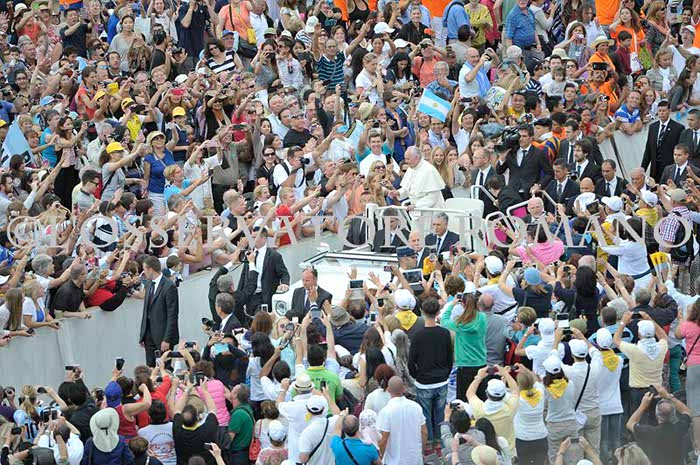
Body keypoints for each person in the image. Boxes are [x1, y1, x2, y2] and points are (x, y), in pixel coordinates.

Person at [408, 297, 453, 455]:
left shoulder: (417, 335)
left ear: (422, 311)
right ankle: (440, 443)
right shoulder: (444, 333)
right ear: (438, 312)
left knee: (426, 415)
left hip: (424, 382)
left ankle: (428, 444)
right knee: (440, 413)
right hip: (441, 380)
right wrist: (445, 373)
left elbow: (411, 361)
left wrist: (417, 376)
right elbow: (450, 358)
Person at [627, 385, 692, 465]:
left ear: (657, 415)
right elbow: (687, 411)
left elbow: (630, 423)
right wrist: (668, 396)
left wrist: (643, 405)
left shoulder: (649, 432)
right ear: (673, 414)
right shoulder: (679, 428)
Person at [440, 294, 488, 402]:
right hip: (481, 363)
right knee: (481, 398)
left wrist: (452, 304)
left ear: (462, 304)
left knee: (463, 400)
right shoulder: (482, 318)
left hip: (465, 365)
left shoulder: (459, 323)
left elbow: (444, 320)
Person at [139, 256, 180, 368]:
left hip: (163, 336)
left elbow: (172, 315)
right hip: (149, 336)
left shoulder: (169, 286)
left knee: (164, 368)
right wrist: (143, 335)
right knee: (150, 368)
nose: (143, 272)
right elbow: (146, 311)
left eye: (144, 269)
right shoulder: (148, 284)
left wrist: (167, 339)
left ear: (150, 269)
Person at [377, 377, 427, 465]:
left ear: (388, 390)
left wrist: (379, 458)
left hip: (395, 461)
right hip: (415, 459)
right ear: (404, 389)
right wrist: (422, 451)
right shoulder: (416, 407)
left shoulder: (386, 412)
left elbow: (384, 439)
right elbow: (424, 432)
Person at [388, 146, 446, 211]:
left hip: (431, 210)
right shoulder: (411, 169)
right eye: (405, 159)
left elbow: (433, 196)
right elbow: (408, 189)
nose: (406, 161)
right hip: (416, 210)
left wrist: (417, 205)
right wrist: (398, 192)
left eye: (408, 159)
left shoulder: (429, 170)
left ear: (416, 157)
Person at [641, 101, 685, 183]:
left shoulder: (678, 128)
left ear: (669, 111)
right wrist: (643, 168)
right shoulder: (653, 127)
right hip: (654, 168)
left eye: (664, 111)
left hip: (669, 168)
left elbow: (680, 149)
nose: (661, 113)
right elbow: (648, 149)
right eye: (659, 111)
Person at [227, 384, 255, 465]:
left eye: (232, 389)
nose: (230, 390)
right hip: (245, 453)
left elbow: (229, 439)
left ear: (235, 395)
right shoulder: (247, 407)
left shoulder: (238, 414)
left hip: (237, 456)